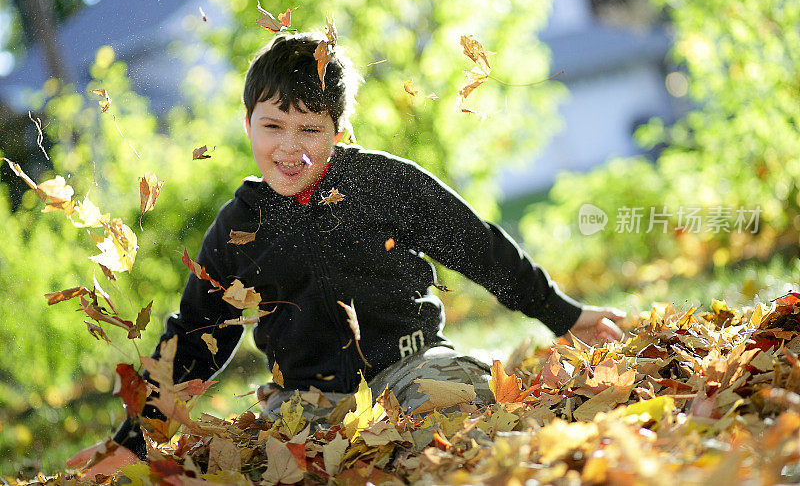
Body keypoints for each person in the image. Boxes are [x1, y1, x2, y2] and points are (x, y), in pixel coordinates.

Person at [68, 32, 623, 474]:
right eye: (273, 126)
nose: (289, 147)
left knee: (460, 411)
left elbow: (478, 247)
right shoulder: (241, 228)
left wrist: (566, 316)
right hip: (303, 405)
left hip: (410, 365)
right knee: (269, 467)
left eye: (310, 129)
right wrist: (132, 442)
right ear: (247, 125)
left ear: (340, 131)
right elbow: (192, 339)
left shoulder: (383, 185)